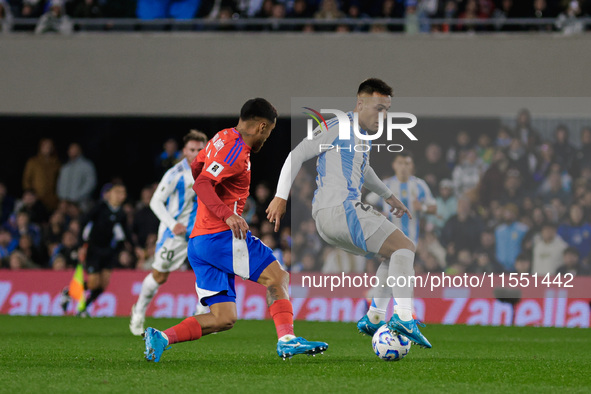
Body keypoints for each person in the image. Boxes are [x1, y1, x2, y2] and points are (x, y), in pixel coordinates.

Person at [143, 98, 328, 362]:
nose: (268, 137)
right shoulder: (236, 150)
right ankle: (287, 340)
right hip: (220, 237)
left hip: (199, 242)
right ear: (262, 126)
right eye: (270, 131)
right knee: (278, 278)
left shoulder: (222, 137)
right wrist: (227, 214)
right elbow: (203, 184)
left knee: (223, 318)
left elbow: (197, 168)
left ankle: (161, 337)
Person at [266, 78, 432, 348]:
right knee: (406, 248)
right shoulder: (339, 125)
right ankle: (402, 316)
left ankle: (375, 317)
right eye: (378, 108)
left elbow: (364, 171)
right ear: (360, 104)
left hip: (335, 217)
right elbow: (296, 155)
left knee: (394, 255)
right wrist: (280, 197)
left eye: (387, 109)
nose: (384, 115)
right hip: (340, 209)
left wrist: (389, 197)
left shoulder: (361, 137)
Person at [130, 130, 208, 336]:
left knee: (209, 269)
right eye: (192, 149)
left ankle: (204, 314)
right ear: (185, 151)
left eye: (200, 149)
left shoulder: (212, 170)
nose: (196, 153)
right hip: (175, 234)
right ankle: (138, 312)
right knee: (160, 275)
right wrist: (172, 224)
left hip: (201, 231)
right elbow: (155, 201)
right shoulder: (175, 174)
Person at [364, 151, 436, 329]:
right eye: (400, 163)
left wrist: (424, 207)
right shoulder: (387, 185)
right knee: (403, 274)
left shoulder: (420, 185)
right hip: (388, 239)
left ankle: (376, 309)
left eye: (407, 163)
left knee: (396, 274)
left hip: (413, 240)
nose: (404, 166)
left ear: (412, 166)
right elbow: (368, 201)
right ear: (394, 165)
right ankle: (404, 314)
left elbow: (433, 207)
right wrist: (376, 215)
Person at [61, 183, 136, 317]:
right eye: (118, 192)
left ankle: (84, 308)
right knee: (94, 283)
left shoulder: (121, 213)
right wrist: (81, 245)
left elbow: (126, 232)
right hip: (93, 249)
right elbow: (84, 222)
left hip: (108, 251)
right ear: (110, 194)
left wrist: (134, 247)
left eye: (123, 193)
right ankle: (69, 292)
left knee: (103, 283)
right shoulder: (99, 208)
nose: (121, 196)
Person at [22, 138, 61, 211]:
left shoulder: (56, 164)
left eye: (49, 146)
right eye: (45, 145)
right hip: (36, 198)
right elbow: (26, 179)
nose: (47, 148)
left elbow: (60, 181)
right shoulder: (33, 162)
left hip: (52, 200)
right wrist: (30, 193)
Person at [56, 143, 97, 212]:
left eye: (75, 149)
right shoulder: (65, 167)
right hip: (64, 203)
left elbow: (90, 184)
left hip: (80, 203)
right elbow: (60, 183)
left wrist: (76, 198)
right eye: (71, 149)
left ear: (80, 151)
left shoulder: (87, 166)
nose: (73, 151)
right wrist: (62, 197)